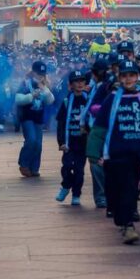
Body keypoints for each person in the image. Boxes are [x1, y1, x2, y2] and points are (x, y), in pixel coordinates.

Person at [93, 60, 140, 244]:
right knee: (114, 190)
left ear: (137, 77)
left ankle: (128, 225)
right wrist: (95, 153)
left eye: (132, 75)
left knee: (130, 188)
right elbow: (100, 126)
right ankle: (122, 218)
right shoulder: (112, 99)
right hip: (115, 153)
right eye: (125, 76)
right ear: (119, 78)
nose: (128, 79)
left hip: (137, 153)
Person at [55, 69, 90, 206]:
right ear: (71, 85)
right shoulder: (66, 101)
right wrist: (61, 142)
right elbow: (61, 124)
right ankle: (65, 186)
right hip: (69, 143)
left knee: (80, 171)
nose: (80, 84)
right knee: (67, 166)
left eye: (82, 81)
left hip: (83, 143)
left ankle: (76, 194)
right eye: (76, 81)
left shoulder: (88, 99)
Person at [15, 61, 55, 178]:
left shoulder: (44, 85)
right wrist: (31, 96)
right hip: (27, 116)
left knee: (38, 143)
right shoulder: (25, 84)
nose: (40, 76)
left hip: (38, 117)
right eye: (38, 74)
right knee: (31, 140)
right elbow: (18, 99)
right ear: (33, 72)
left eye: (42, 74)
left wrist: (45, 90)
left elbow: (50, 101)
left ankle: (34, 168)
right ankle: (24, 164)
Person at [83, 58, 112, 210]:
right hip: (95, 129)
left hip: (112, 130)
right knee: (95, 162)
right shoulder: (94, 86)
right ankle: (101, 196)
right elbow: (90, 106)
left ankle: (109, 195)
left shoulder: (109, 86)